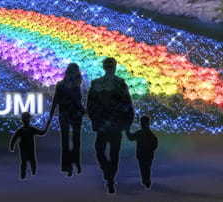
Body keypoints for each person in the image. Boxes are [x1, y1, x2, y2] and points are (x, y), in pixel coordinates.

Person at [87, 57, 134, 194]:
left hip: (111, 125)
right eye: (108, 65)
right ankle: (109, 175)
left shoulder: (118, 83)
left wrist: (126, 123)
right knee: (105, 152)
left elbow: (127, 104)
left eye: (110, 65)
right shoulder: (98, 83)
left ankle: (109, 178)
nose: (109, 67)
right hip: (107, 125)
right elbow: (91, 105)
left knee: (110, 153)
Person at [46, 63, 85, 176]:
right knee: (75, 141)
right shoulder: (75, 86)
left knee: (66, 141)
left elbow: (55, 101)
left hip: (66, 115)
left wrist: (51, 115)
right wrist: (84, 111)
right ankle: (75, 163)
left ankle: (67, 165)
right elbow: (77, 102)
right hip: (74, 115)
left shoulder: (61, 85)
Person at [9, 112, 47, 180]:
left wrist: (45, 129)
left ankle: (31, 173)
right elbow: (14, 138)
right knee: (25, 162)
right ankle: (24, 175)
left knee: (31, 162)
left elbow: (42, 133)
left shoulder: (29, 129)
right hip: (24, 149)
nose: (26, 120)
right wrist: (12, 146)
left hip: (29, 149)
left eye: (27, 119)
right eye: (25, 119)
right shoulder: (23, 130)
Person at [126, 115, 158, 189]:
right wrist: (150, 150)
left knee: (143, 168)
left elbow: (131, 137)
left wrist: (127, 130)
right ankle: (147, 182)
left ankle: (146, 181)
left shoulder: (140, 133)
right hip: (148, 155)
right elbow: (155, 144)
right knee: (146, 168)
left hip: (142, 154)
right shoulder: (150, 134)